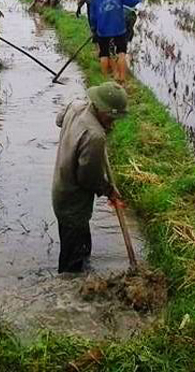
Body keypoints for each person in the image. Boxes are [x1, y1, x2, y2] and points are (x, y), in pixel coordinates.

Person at [52, 82, 128, 273]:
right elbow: (88, 178)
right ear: (102, 109)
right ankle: (68, 296)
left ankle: (81, 284)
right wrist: (109, 191)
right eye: (111, 117)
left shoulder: (75, 106)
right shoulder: (95, 136)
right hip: (74, 202)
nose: (113, 122)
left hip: (60, 189)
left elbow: (59, 120)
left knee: (79, 248)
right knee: (72, 264)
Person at [88, 0, 142, 83]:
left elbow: (93, 15)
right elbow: (133, 1)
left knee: (104, 53)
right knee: (121, 53)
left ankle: (105, 80)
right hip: (119, 28)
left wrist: (93, 28)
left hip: (102, 29)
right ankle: (122, 79)